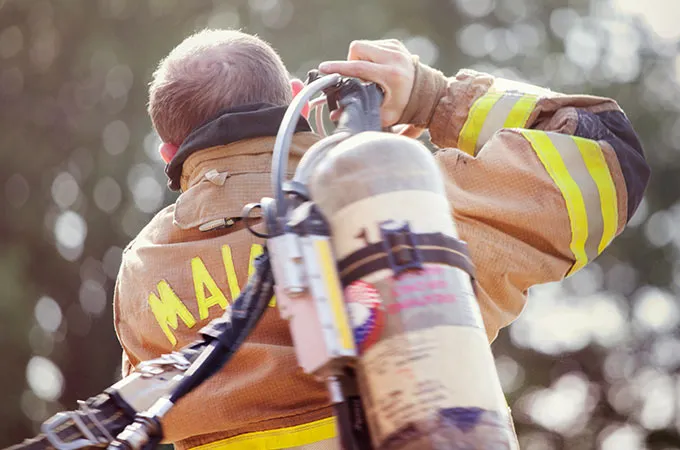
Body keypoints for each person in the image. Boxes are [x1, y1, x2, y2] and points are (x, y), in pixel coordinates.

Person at [113, 29, 650, 449]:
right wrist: (431, 98)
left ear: (170, 152)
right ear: (301, 100)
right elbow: (606, 152)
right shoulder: (407, 204)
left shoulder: (143, 272)